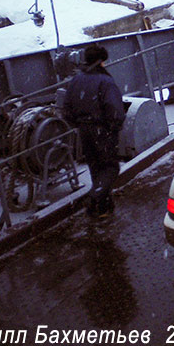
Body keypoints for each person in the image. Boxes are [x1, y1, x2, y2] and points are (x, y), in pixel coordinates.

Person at [62, 45, 126, 218]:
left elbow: (66, 108)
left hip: (84, 130)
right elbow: (114, 110)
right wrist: (114, 126)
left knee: (96, 167)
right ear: (101, 62)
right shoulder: (105, 82)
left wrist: (79, 123)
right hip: (102, 130)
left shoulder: (76, 80)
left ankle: (102, 207)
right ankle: (94, 197)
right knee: (111, 167)